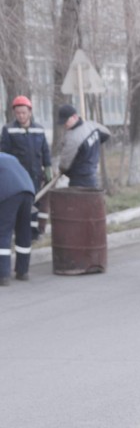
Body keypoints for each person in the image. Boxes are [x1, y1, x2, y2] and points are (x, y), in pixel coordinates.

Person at [1, 96, 52, 240]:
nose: (21, 116)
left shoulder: (39, 130)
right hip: (18, 176)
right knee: (21, 204)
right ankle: (20, 233)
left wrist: (48, 167)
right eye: (18, 113)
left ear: (29, 112)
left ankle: (34, 233)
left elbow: (45, 150)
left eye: (23, 112)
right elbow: (4, 154)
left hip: (35, 174)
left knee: (35, 202)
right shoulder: (8, 130)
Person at [0, 152, 35, 286]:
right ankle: (23, 271)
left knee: (3, 231)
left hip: (9, 192)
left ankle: (3, 274)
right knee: (24, 230)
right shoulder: (9, 156)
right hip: (27, 190)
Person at [56, 104, 111, 189]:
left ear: (74, 117)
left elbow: (64, 166)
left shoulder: (73, 138)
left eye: (66, 121)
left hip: (78, 180)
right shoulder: (92, 125)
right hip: (93, 175)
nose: (64, 124)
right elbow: (107, 134)